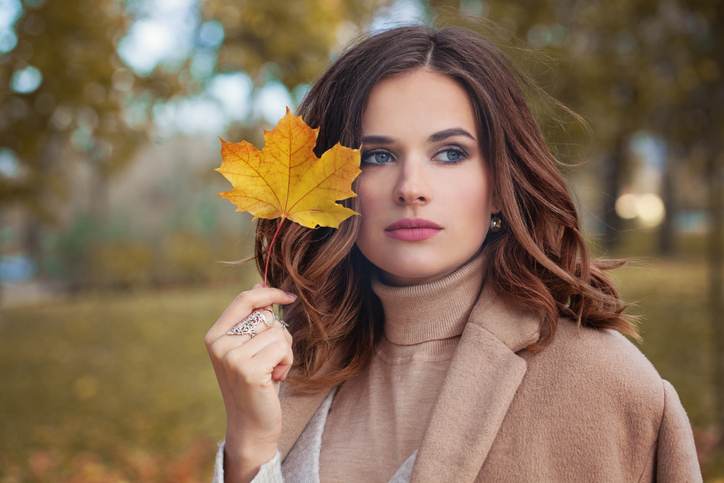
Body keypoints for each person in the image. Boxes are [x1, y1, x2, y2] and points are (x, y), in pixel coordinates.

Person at [204, 24, 703, 483]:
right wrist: (249, 450)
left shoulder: (607, 385)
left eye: (450, 153)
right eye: (378, 156)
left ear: (500, 183)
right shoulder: (293, 371)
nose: (411, 188)